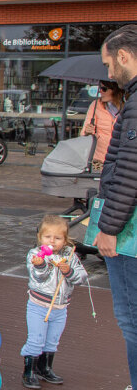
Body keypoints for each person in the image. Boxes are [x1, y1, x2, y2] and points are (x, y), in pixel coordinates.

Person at [93, 23, 137, 390]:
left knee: (132, 320)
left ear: (124, 56)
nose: (109, 74)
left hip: (129, 232)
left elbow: (129, 172)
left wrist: (108, 228)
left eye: (110, 65)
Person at [21, 215, 88, 389]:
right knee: (36, 340)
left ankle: (45, 368)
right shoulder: (35, 255)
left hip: (60, 307)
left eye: (57, 238)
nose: (52, 241)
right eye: (48, 237)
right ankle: (29, 371)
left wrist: (69, 271)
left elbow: (81, 278)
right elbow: (38, 279)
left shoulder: (70, 255)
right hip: (38, 306)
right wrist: (41, 265)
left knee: (52, 340)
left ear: (65, 240)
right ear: (40, 238)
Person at [82, 80, 124, 167]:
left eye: (104, 89)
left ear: (115, 90)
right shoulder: (95, 105)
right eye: (100, 88)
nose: (100, 91)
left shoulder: (127, 107)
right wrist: (87, 131)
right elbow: (83, 133)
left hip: (121, 158)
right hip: (99, 159)